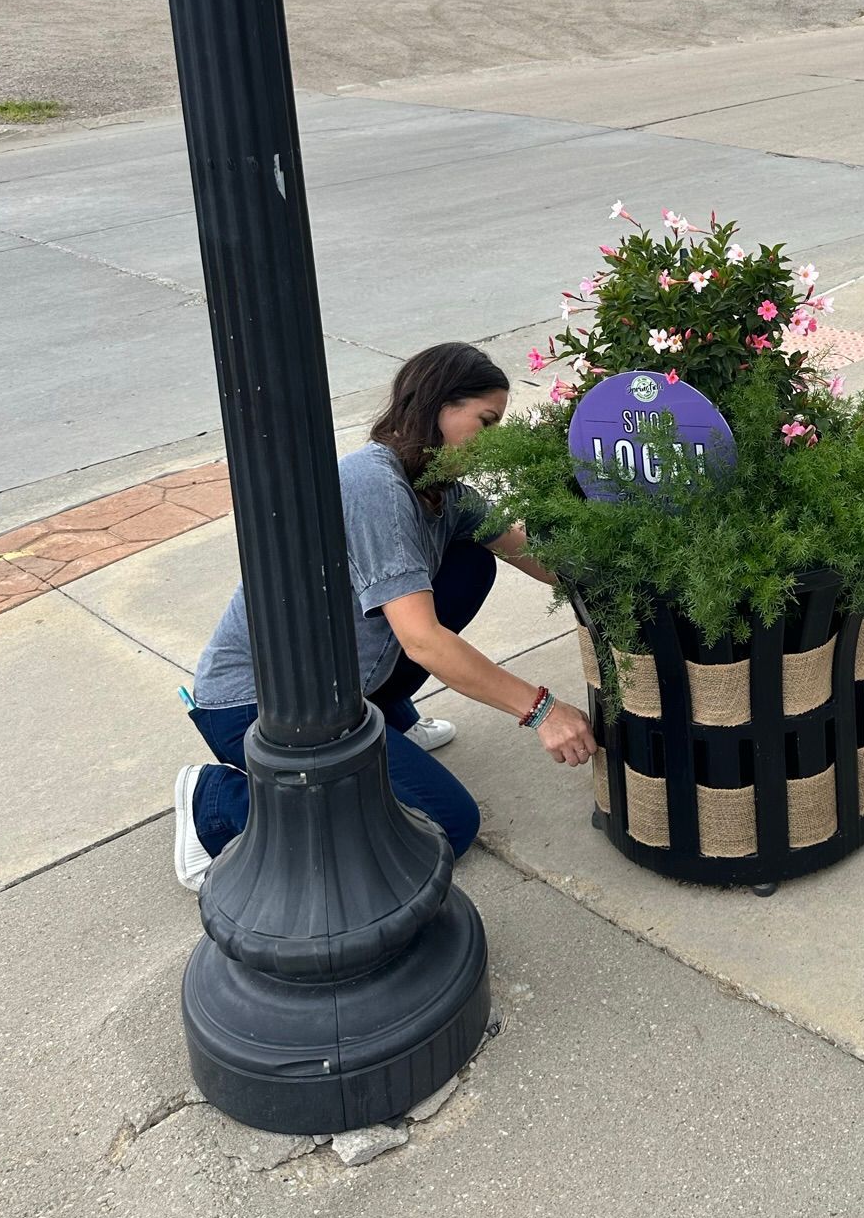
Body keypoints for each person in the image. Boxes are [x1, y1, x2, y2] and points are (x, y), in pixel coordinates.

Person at [172, 342, 594, 890]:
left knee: (471, 565)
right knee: (444, 827)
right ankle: (214, 802)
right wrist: (542, 711)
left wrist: (620, 559)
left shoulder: (444, 493)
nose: (493, 443)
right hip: (259, 705)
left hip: (337, 688)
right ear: (438, 405)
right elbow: (423, 641)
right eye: (485, 423)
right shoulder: (375, 484)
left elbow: (536, 557)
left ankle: (386, 720)